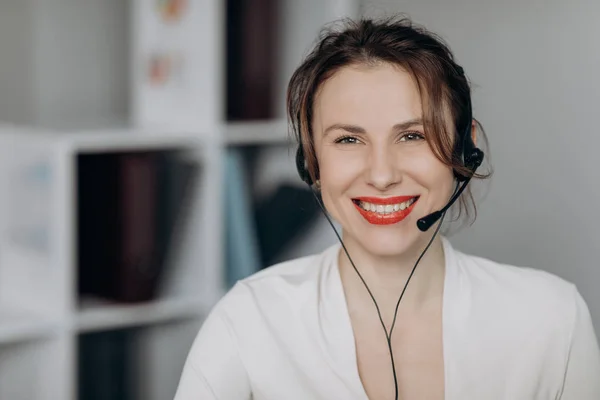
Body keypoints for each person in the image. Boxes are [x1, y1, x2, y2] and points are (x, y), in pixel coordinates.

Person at [173, 16, 600, 400]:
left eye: (412, 136)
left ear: (464, 147)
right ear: (312, 162)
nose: (381, 175)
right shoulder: (249, 320)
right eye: (348, 139)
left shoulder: (551, 320)